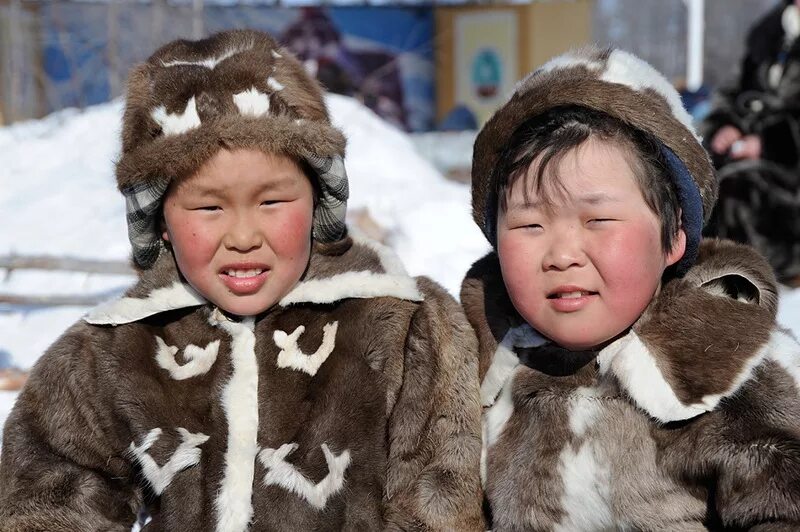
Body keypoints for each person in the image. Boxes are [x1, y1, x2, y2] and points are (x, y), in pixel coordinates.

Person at [0, 30, 484, 531]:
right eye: (209, 207)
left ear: (319, 198)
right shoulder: (116, 351)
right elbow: (49, 499)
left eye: (272, 202)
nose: (244, 236)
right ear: (160, 221)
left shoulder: (400, 327)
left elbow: (436, 506)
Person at [461, 46, 800, 530]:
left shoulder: (731, 370)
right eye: (530, 225)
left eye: (597, 220)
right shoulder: (467, 363)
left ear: (673, 236)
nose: (562, 254)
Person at [701, 0, 800, 282]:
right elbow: (737, 91)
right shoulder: (768, 34)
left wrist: (769, 143)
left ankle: (754, 279)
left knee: (741, 185)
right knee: (704, 178)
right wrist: (729, 125)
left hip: (790, 163)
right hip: (749, 148)